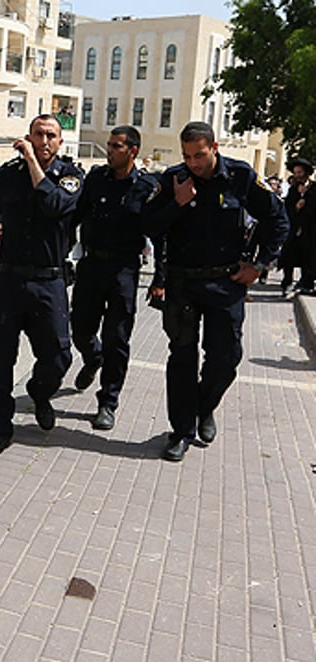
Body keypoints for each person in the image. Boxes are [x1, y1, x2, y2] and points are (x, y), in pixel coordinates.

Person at [143, 121, 288, 461]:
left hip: (226, 283)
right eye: (187, 155)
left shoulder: (240, 176)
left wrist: (259, 265)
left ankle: (203, 407)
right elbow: (148, 225)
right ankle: (180, 431)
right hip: (183, 283)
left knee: (225, 357)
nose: (193, 163)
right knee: (182, 358)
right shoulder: (174, 179)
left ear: (215, 148)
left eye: (199, 155)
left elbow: (277, 220)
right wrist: (177, 204)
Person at [0, 115, 85, 460]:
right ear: (28, 136)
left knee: (58, 356)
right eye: (38, 134)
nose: (44, 140)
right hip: (9, 280)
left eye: (51, 135)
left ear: (59, 142)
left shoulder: (70, 176)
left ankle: (39, 392)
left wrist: (35, 164)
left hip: (49, 281)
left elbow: (55, 205)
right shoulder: (8, 174)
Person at [70, 125, 158, 431]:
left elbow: (160, 232)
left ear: (132, 151)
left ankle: (108, 402)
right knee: (80, 328)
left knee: (117, 338)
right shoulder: (95, 179)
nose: (109, 150)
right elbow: (75, 215)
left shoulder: (146, 186)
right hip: (91, 265)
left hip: (124, 269)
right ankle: (92, 358)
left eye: (116, 146)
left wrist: (161, 277)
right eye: (108, 145)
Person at [281, 158, 314, 296]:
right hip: (294, 228)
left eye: (300, 172)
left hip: (310, 229)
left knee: (309, 256)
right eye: (295, 173)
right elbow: (287, 207)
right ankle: (287, 281)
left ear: (306, 173)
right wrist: (296, 206)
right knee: (289, 255)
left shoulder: (314, 188)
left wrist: (306, 198)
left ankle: (307, 282)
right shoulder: (293, 189)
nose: (298, 175)